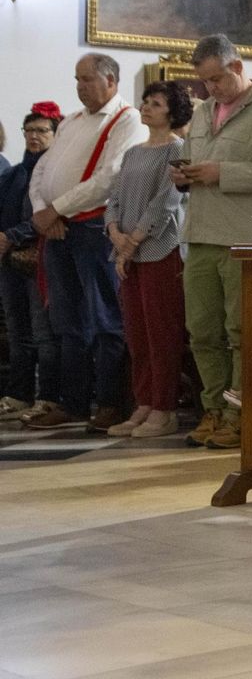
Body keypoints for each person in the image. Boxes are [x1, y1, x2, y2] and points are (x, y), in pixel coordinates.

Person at [172, 34, 252, 450]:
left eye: (217, 79)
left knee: (242, 331)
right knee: (202, 331)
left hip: (248, 238)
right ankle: (212, 410)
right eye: (204, 82)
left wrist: (222, 173)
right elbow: (201, 167)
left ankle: (238, 415)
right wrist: (185, 177)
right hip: (202, 234)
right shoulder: (204, 113)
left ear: (238, 67)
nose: (211, 89)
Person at [25, 54, 141, 432]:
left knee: (106, 319)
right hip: (59, 230)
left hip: (94, 229)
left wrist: (57, 208)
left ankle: (110, 403)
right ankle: (72, 402)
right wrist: (45, 211)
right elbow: (43, 168)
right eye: (77, 79)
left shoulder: (127, 120)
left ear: (110, 80)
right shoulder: (73, 121)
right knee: (67, 322)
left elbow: (110, 177)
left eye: (87, 79)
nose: (80, 86)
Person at [104, 81, 192, 439]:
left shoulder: (178, 149)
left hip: (159, 248)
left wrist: (133, 240)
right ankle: (143, 403)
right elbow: (114, 197)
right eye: (146, 101)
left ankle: (164, 408)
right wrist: (114, 231)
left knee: (162, 333)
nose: (147, 107)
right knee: (136, 333)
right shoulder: (133, 152)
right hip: (127, 250)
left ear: (172, 112)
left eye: (156, 103)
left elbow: (165, 202)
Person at [0, 104, 61, 422]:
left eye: (41, 130)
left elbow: (44, 216)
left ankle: (49, 396)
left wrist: (11, 234)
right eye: (29, 130)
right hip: (10, 260)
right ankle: (19, 394)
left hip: (41, 257)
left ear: (54, 135)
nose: (34, 136)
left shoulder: (54, 173)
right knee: (16, 329)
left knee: (43, 332)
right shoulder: (13, 173)